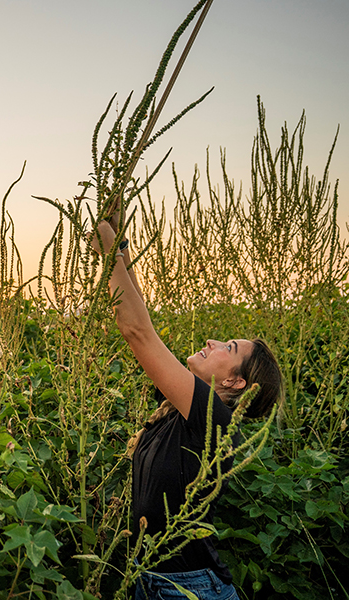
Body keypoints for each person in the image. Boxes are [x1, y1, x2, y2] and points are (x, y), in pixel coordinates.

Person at [89, 219, 282, 600]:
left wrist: (109, 251)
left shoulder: (213, 418)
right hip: (154, 581)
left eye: (228, 347)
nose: (211, 341)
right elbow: (143, 319)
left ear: (235, 382)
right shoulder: (179, 410)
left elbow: (138, 332)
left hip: (188, 590)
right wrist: (122, 247)